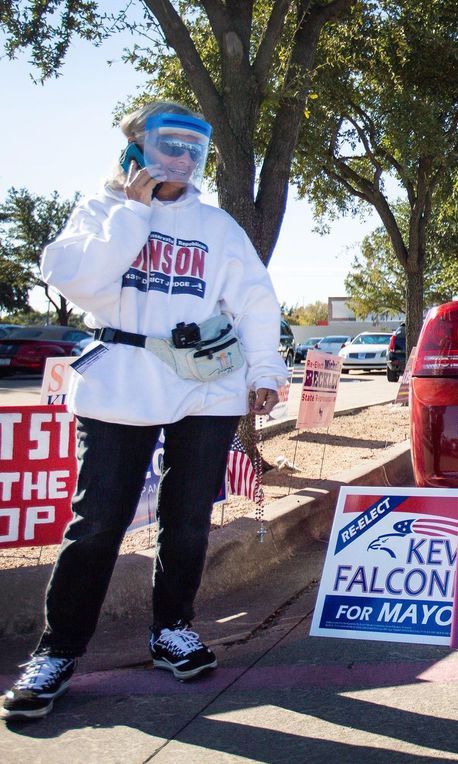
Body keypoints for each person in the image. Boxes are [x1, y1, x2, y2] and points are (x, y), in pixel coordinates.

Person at [1, 101, 288, 721]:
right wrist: (134, 210)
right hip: (121, 381)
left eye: (193, 147)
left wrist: (266, 370)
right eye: (168, 144)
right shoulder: (102, 212)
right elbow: (81, 282)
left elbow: (257, 302)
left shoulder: (217, 227)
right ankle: (57, 650)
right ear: (135, 148)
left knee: (187, 520)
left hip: (206, 385)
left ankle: (172, 629)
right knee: (99, 522)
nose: (182, 159)